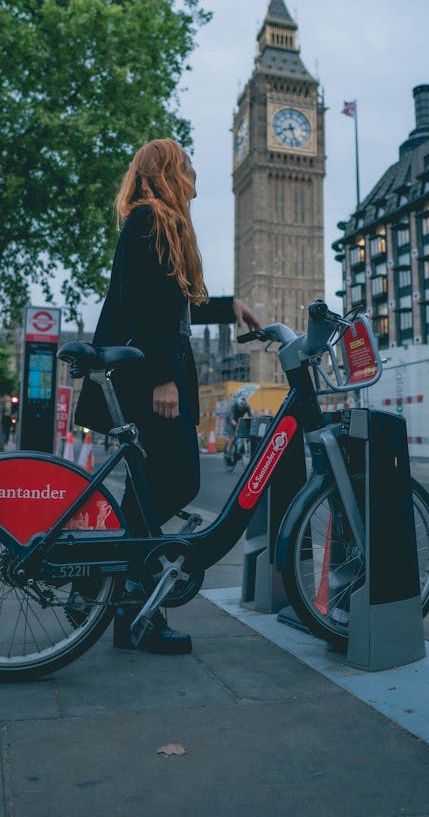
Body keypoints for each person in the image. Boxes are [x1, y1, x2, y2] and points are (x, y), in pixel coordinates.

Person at [92, 138, 260, 654]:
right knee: (181, 479)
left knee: (143, 494)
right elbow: (145, 305)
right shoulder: (152, 220)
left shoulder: (159, 222)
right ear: (166, 170)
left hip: (151, 371)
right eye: (186, 163)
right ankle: (120, 589)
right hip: (151, 379)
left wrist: (229, 306)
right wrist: (164, 376)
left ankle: (124, 605)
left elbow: (176, 303)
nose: (193, 170)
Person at [224, 394, 253, 465]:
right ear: (238, 404)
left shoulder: (247, 406)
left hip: (238, 421)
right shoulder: (233, 406)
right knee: (233, 438)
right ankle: (227, 454)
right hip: (230, 422)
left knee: (244, 435)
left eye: (243, 408)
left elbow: (251, 416)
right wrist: (237, 425)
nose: (242, 409)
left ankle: (239, 450)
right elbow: (231, 420)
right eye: (240, 407)